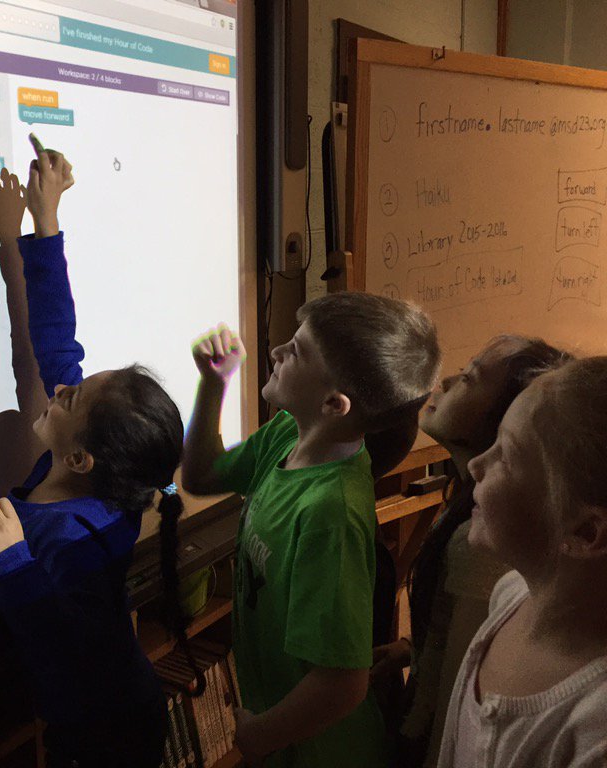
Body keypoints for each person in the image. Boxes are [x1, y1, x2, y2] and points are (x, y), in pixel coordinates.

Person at [0, 142, 195, 768]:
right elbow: (56, 339)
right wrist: (43, 222)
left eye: (71, 397)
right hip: (105, 717)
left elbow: (71, 650)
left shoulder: (81, 541)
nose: (60, 387)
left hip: (106, 735)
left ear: (81, 460)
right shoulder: (85, 469)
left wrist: (13, 566)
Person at [183, 293, 440, 767]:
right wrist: (213, 384)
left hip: (323, 752)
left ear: (333, 404)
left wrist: (261, 735)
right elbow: (201, 476)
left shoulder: (329, 514)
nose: (276, 350)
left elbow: (342, 684)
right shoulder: (288, 433)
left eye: (297, 350)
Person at [370, 335, 571, 766]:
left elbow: (458, 701)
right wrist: (412, 647)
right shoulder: (470, 501)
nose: (446, 382)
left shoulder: (482, 545)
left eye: (471, 377)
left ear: (502, 417)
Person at [436, 356, 607, 767]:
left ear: (585, 533)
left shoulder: (594, 728)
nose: (476, 464)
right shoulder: (509, 594)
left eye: (506, 456)